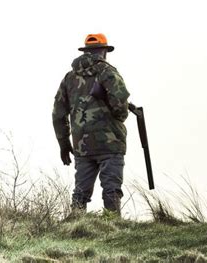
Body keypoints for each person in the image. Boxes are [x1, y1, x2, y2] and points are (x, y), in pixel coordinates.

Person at [52, 33, 130, 216]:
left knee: (80, 192)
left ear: (86, 51)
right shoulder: (108, 72)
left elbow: (58, 114)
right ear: (104, 51)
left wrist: (64, 143)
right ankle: (112, 227)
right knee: (111, 188)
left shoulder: (69, 78)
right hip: (110, 142)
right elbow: (120, 104)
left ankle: (76, 226)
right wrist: (120, 116)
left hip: (82, 145)